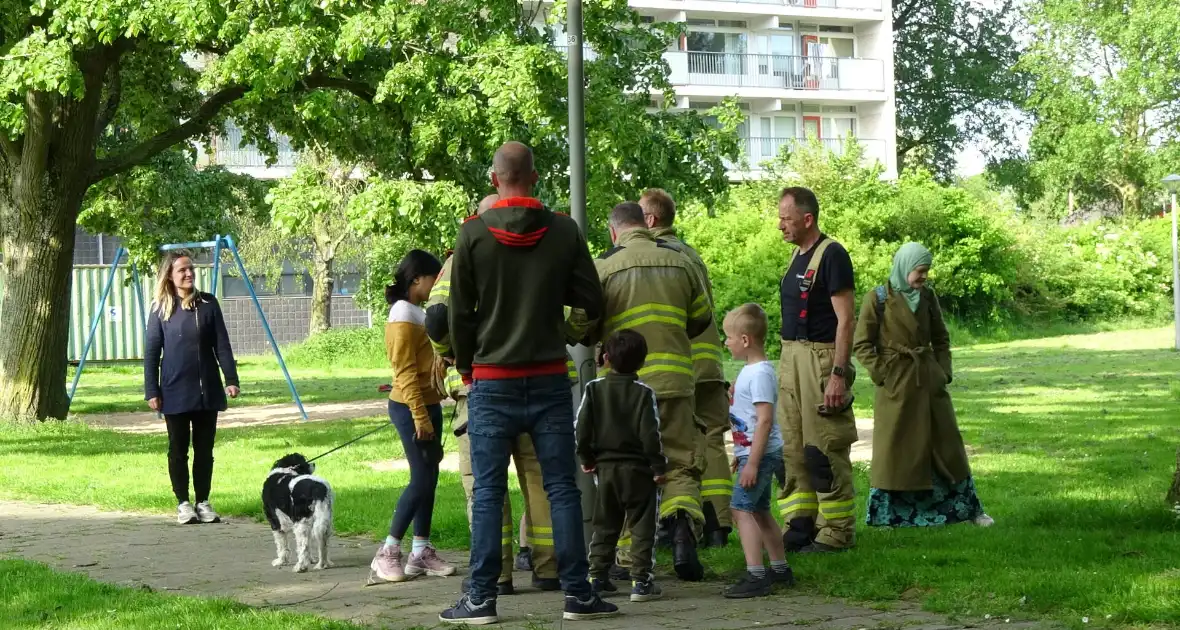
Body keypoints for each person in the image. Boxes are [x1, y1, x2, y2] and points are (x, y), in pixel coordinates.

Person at [440, 141, 614, 624]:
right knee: (561, 487)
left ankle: (481, 600)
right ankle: (577, 594)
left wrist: (470, 369)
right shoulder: (563, 231)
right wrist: (561, 327)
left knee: (490, 491)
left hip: (491, 381)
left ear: (495, 180)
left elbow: (457, 313)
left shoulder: (472, 235)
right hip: (548, 380)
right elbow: (590, 298)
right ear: (534, 177)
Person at [426, 193, 563, 596]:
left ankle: (497, 575)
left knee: (484, 486)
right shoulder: (546, 248)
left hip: (480, 389)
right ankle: (549, 568)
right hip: (541, 383)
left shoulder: (464, 254)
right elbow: (577, 310)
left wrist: (451, 355)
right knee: (542, 482)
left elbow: (436, 317)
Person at [574, 201, 714, 582]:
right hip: (676, 382)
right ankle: (683, 527)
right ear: (646, 224)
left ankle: (624, 557)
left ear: (613, 230)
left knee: (626, 467)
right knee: (682, 462)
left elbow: (583, 325)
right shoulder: (680, 261)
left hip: (626, 388)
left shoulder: (604, 266)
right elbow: (701, 318)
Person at [853, 242, 994, 529]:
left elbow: (941, 338)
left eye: (927, 271)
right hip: (897, 386)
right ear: (905, 267)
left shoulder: (928, 297)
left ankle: (968, 510)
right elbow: (862, 343)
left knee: (947, 445)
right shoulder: (877, 298)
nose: (924, 277)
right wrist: (883, 374)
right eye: (920, 271)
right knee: (897, 450)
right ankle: (891, 516)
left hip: (929, 382)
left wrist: (943, 372)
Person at [641, 188, 732, 547]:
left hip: (681, 366)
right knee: (710, 440)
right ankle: (718, 524)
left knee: (678, 447)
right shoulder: (690, 254)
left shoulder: (660, 258)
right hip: (708, 363)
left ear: (651, 220)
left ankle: (680, 523)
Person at [775, 186, 859, 553]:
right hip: (790, 358)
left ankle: (836, 531)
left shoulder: (832, 255)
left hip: (820, 361)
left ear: (807, 219)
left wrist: (838, 374)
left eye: (786, 218)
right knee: (792, 448)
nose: (780, 225)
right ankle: (800, 523)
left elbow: (846, 320)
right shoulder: (796, 256)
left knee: (823, 449)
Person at [369, 249, 457, 584]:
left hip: (428, 404)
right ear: (417, 278)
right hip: (409, 408)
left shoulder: (416, 312)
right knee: (421, 479)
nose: (437, 286)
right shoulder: (402, 314)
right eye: (434, 280)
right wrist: (420, 418)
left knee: (429, 479)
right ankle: (388, 552)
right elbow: (404, 373)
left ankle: (420, 551)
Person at [144, 252, 240, 525]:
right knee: (178, 449)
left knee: (204, 449)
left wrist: (231, 379)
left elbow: (222, 344)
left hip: (207, 391)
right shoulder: (160, 308)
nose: (188, 274)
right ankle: (183, 503)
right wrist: (152, 390)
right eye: (182, 270)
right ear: (169, 276)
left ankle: (203, 501)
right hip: (173, 392)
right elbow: (152, 353)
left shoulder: (209, 303)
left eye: (191, 269)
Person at [576, 330, 667, 603]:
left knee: (604, 524)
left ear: (605, 358)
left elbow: (581, 429)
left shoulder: (592, 389)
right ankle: (641, 582)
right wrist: (658, 467)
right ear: (642, 362)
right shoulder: (644, 394)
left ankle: (597, 577)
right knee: (642, 526)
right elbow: (651, 435)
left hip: (605, 471)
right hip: (638, 472)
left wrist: (586, 459)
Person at [721, 304, 795, 598]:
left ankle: (756, 575)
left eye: (728, 337)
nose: (725, 342)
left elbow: (764, 421)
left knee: (740, 509)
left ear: (745, 340)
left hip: (760, 456)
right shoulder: (750, 373)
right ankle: (779, 569)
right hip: (753, 455)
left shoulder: (760, 374)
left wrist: (752, 462)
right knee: (761, 510)